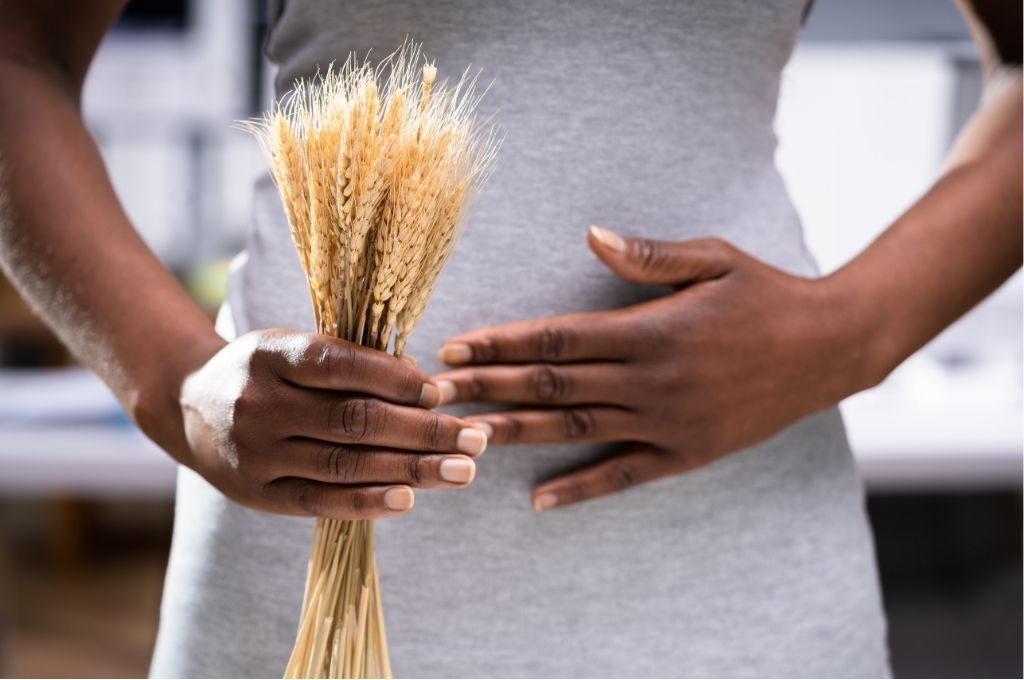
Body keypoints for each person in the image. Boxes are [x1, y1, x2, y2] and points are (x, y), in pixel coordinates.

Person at [0, 0, 1019, 676]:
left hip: (743, 584)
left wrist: (851, 332)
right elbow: (19, 52)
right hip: (319, 574)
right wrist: (178, 386)